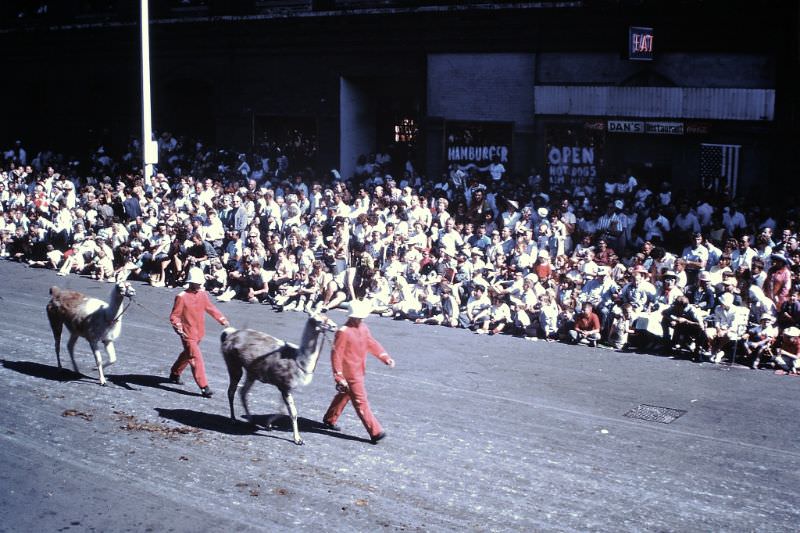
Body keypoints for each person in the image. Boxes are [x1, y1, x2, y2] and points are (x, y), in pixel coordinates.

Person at [322, 300, 395, 444]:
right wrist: (339, 376)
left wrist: (384, 357)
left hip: (359, 370)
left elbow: (371, 343)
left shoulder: (363, 328)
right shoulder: (343, 332)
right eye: (358, 317)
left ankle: (330, 418)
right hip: (351, 375)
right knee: (361, 401)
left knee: (345, 394)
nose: (360, 319)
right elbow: (336, 354)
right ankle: (375, 431)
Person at [168, 266, 230, 397]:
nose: (199, 285)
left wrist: (221, 319)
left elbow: (210, 308)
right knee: (196, 357)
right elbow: (174, 316)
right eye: (197, 283)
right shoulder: (181, 297)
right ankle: (204, 386)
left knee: (187, 354)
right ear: (190, 282)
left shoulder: (202, 294)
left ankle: (175, 372)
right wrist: (178, 327)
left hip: (199, 332)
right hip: (187, 333)